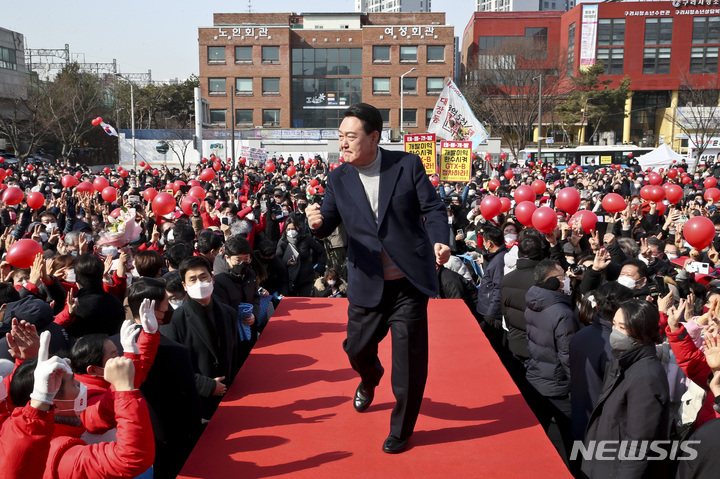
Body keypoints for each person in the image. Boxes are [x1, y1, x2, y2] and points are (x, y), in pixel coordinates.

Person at [306, 102, 451, 454]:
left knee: (409, 363)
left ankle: (401, 430)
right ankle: (369, 379)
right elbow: (327, 219)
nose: (343, 143)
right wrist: (315, 224)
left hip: (407, 283)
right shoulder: (338, 177)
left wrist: (440, 240)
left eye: (350, 136)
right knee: (356, 349)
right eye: (340, 137)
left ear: (373, 137)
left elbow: (432, 208)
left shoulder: (406, 164)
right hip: (366, 280)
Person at [581, 300, 670, 479]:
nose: (615, 331)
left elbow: (639, 446)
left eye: (622, 327)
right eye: (614, 324)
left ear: (641, 332)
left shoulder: (646, 376)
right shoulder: (623, 360)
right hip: (603, 460)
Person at [161, 256, 240, 419]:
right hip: (197, 403)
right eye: (192, 279)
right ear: (184, 285)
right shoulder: (175, 320)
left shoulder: (229, 313)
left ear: (212, 278)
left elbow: (234, 353)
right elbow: (173, 368)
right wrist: (208, 386)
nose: (199, 283)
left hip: (230, 398)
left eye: (203, 277)